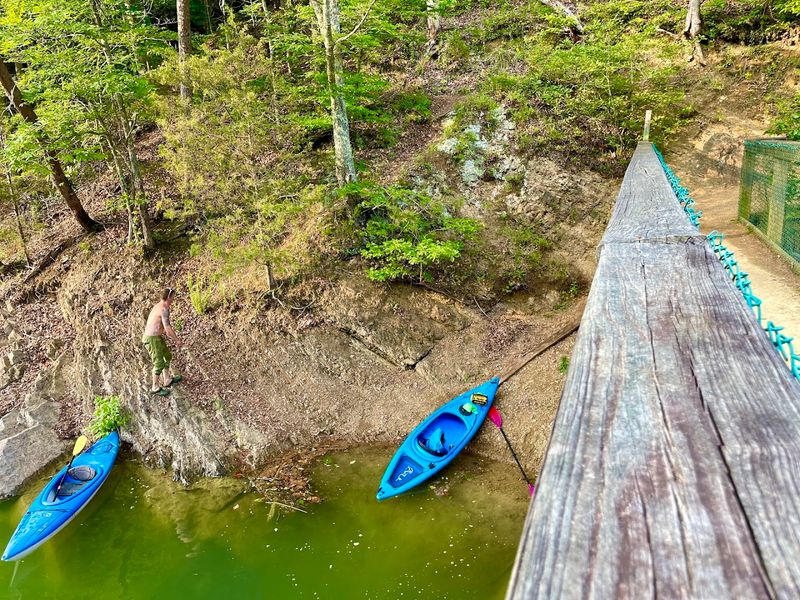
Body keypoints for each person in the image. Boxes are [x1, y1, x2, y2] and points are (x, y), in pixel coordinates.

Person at [142, 288, 182, 397]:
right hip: (151, 339)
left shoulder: (159, 306)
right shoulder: (163, 309)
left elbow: (160, 326)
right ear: (169, 297)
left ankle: (167, 379)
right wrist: (177, 340)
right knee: (158, 362)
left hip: (157, 337)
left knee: (167, 356)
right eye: (173, 296)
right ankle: (155, 387)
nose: (173, 299)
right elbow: (168, 329)